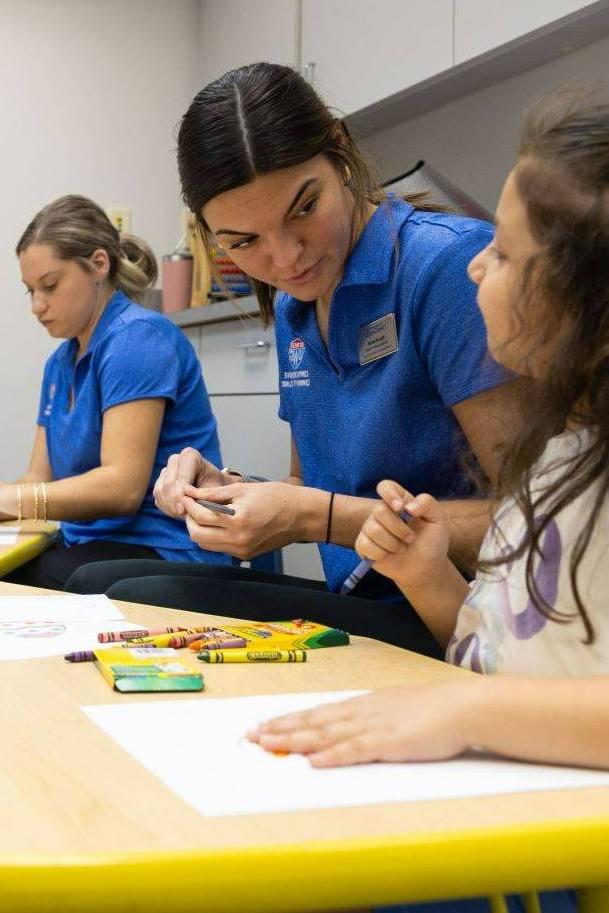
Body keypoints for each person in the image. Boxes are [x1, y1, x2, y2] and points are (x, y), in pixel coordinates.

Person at [247, 91, 609, 912]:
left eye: (508, 255)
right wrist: (426, 575)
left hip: (550, 842)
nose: (478, 262)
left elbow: (499, 689)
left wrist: (465, 708)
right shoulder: (556, 460)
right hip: (494, 793)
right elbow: (489, 646)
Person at [66, 63, 524, 655]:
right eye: (244, 242)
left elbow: (538, 525)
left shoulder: (446, 271)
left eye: (304, 209)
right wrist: (230, 494)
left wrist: (316, 518)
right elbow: (309, 487)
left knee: (119, 591)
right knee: (98, 585)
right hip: (368, 599)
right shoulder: (295, 308)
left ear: (340, 150)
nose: (286, 259)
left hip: (464, 614)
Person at [1, 194, 230, 589]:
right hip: (96, 547)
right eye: (30, 291)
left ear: (99, 265)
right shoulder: (59, 364)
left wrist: (10, 500)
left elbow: (122, 487)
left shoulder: (138, 340)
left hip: (167, 549)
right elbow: (37, 476)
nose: (37, 306)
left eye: (50, 286)